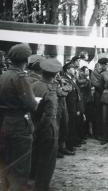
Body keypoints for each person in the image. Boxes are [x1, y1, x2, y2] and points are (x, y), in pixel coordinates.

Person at [0, 43, 37, 190]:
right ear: (26, 60)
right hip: (20, 125)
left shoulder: (3, 76)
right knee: (21, 164)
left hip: (5, 123)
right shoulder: (20, 77)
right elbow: (31, 104)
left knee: (8, 162)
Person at [32, 58, 62, 191]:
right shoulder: (50, 91)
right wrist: (41, 130)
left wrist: (34, 129)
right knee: (47, 162)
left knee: (36, 157)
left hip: (33, 125)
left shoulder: (34, 85)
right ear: (55, 74)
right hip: (48, 130)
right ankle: (42, 187)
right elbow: (49, 116)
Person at [90, 58, 108, 140]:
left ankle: (104, 133)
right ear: (100, 65)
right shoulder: (94, 73)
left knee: (104, 115)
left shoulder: (107, 72)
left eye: (105, 65)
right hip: (98, 95)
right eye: (103, 65)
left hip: (105, 95)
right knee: (97, 115)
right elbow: (95, 84)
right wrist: (105, 87)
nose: (105, 66)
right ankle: (97, 134)